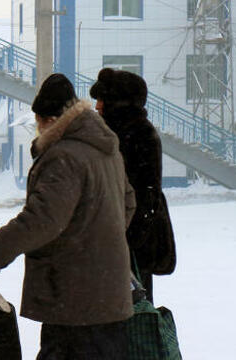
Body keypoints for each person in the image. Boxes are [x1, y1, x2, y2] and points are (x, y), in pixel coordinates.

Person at [0, 74, 136, 359]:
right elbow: (128, 203)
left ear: (49, 120)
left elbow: (43, 219)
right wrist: (97, 240)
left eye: (38, 121)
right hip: (108, 293)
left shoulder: (64, 157)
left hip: (75, 297)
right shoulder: (105, 151)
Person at [90, 68, 176, 302]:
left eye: (102, 100)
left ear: (118, 102)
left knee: (134, 309)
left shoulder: (139, 135)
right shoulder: (111, 134)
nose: (97, 106)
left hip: (132, 244)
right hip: (116, 239)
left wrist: (127, 240)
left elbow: (148, 195)